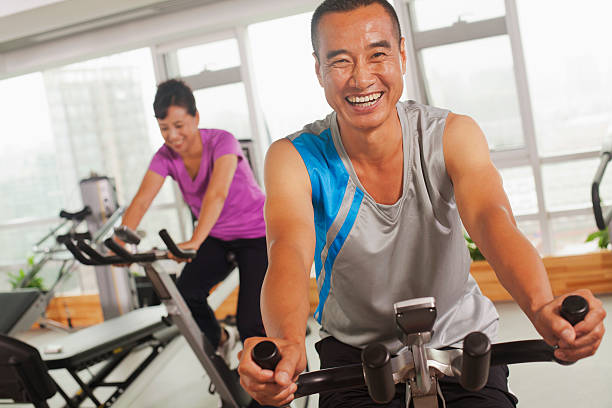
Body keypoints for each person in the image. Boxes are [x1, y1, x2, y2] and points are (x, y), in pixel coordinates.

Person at [237, 1, 607, 407]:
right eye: (340, 62)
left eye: (377, 55)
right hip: (356, 352)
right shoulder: (294, 158)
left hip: (459, 339)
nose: (361, 79)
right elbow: (287, 249)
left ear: (401, 56)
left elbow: (491, 220)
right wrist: (288, 341)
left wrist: (540, 305)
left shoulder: (451, 134)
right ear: (318, 70)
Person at [118, 79, 268, 363]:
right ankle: (222, 340)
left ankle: (269, 396)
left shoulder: (223, 141)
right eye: (164, 129)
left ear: (196, 117)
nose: (172, 136)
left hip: (256, 235)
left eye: (179, 125)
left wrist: (195, 242)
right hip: (218, 236)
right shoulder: (164, 157)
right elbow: (141, 200)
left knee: (251, 324)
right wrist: (119, 241)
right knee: (185, 295)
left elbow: (217, 194)